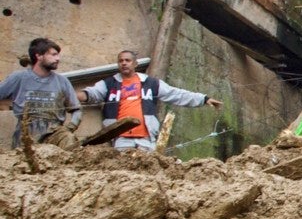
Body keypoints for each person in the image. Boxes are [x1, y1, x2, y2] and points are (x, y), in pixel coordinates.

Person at [79, 50, 222, 151]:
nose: (124, 63)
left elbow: (176, 94)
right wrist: (73, 97)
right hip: (120, 138)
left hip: (146, 138)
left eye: (127, 60)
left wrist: (203, 99)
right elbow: (92, 94)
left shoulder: (150, 83)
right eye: (121, 61)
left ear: (135, 64)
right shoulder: (109, 84)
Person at [0, 38, 81, 148]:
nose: (58, 58)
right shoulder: (19, 78)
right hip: (26, 134)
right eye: (53, 55)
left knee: (69, 140)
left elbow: (77, 109)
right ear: (39, 56)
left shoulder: (62, 81)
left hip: (54, 133)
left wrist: (70, 127)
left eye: (58, 55)